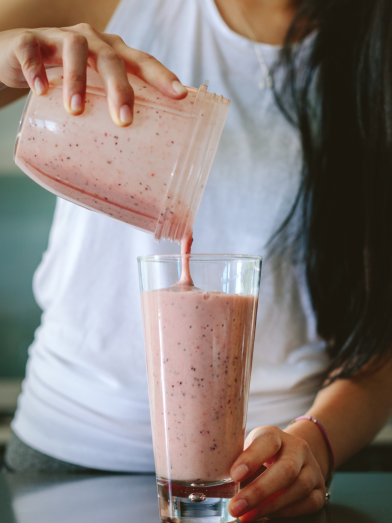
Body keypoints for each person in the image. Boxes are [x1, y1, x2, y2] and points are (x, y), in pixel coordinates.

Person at [1, 0, 392, 520]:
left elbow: (380, 340)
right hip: (65, 462)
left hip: (259, 481)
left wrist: (315, 443)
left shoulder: (374, 53)